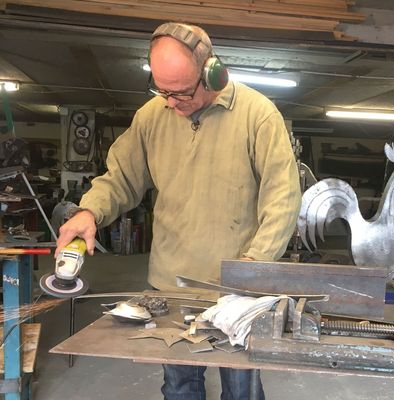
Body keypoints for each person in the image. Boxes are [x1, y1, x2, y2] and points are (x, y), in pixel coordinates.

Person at [55, 22, 301, 400]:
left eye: (181, 92)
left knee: (242, 388)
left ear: (212, 73)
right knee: (180, 385)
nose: (170, 102)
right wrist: (90, 212)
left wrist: (253, 265)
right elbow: (121, 178)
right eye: (161, 90)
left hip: (237, 288)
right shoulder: (152, 116)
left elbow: (282, 200)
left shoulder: (259, 117)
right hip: (171, 283)